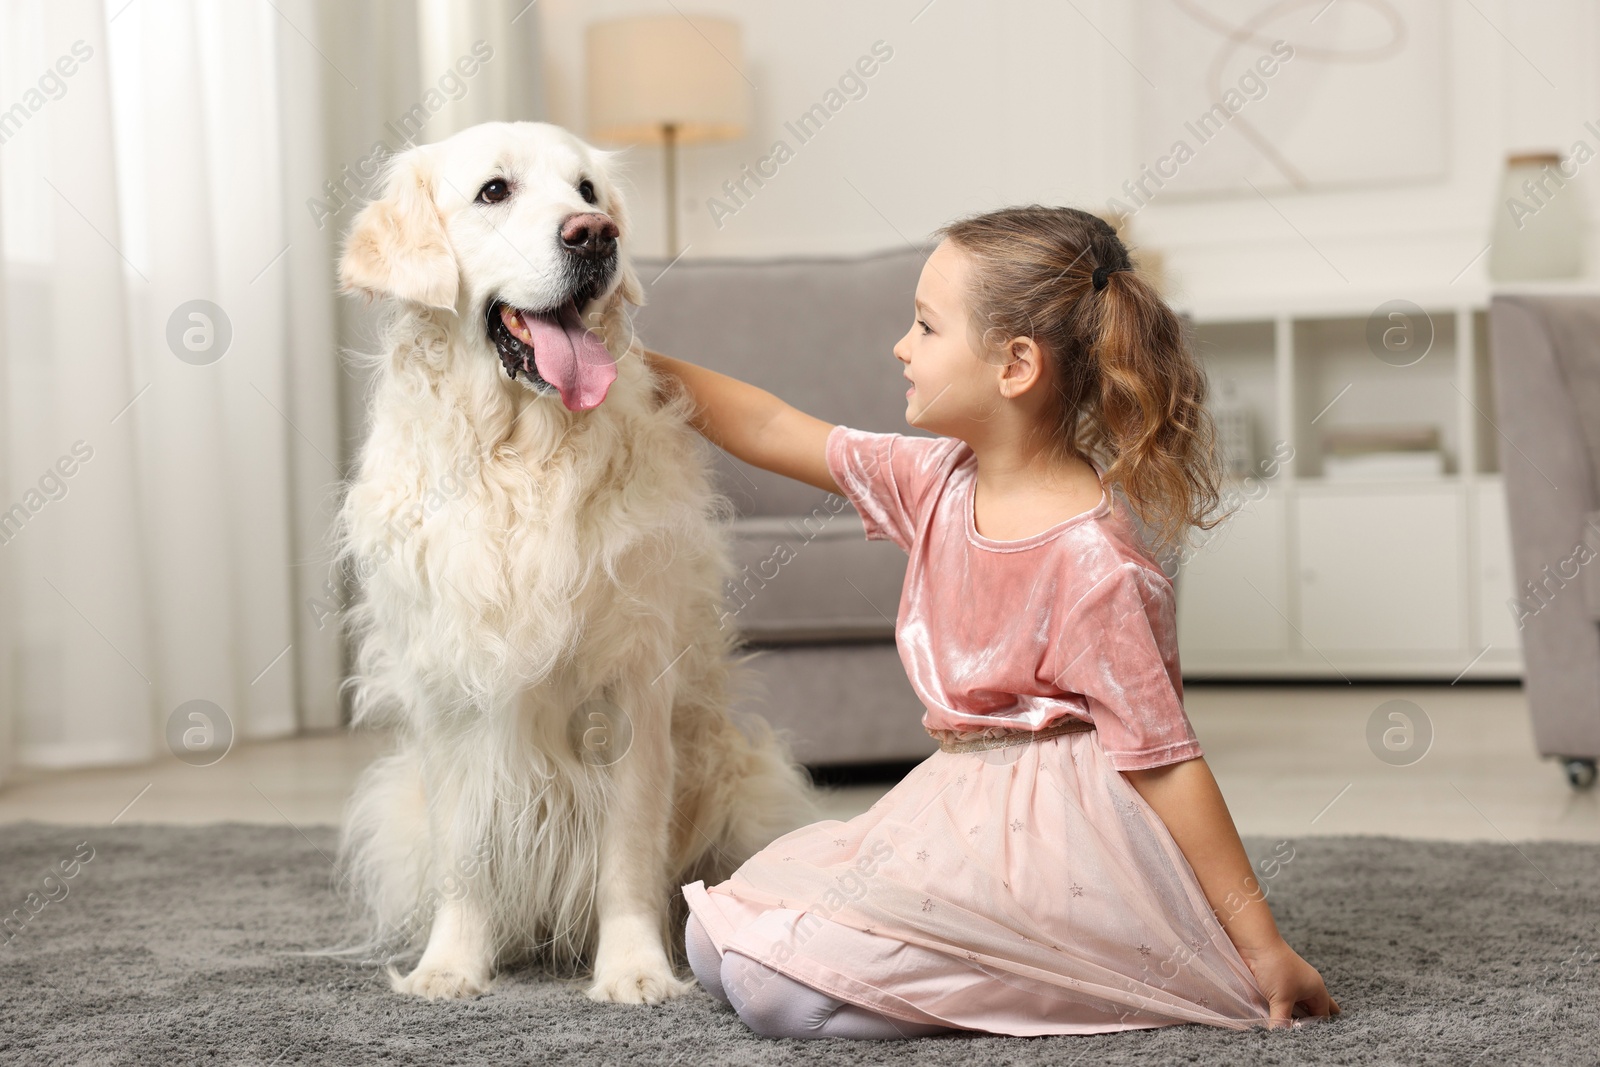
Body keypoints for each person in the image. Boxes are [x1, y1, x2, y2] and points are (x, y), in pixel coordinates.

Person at [642, 205, 1340, 1040]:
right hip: (956, 802)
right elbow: (770, 425)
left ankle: (1034, 974)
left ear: (1015, 365)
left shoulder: (1098, 566)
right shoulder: (936, 480)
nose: (902, 345)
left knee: (768, 990)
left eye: (927, 327)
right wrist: (623, 363)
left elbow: (1170, 764)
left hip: (1061, 839)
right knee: (710, 936)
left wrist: (1263, 949)